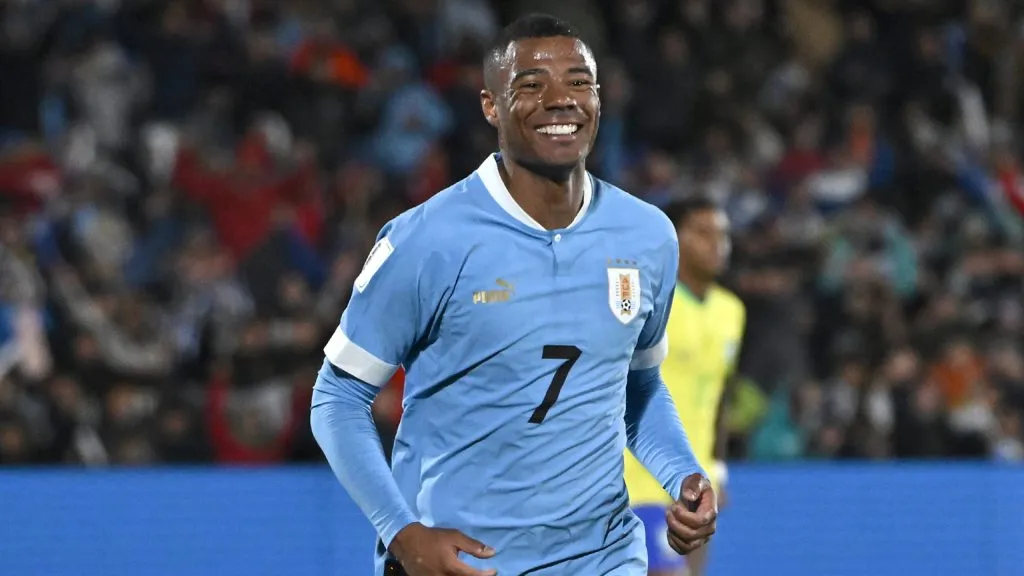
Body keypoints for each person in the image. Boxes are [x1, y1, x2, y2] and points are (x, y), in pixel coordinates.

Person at [311, 14, 718, 576]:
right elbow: (337, 399)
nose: (560, 100)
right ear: (490, 105)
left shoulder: (647, 236)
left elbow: (638, 388)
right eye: (531, 85)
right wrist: (402, 533)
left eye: (579, 83)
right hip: (465, 563)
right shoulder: (427, 239)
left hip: (602, 559)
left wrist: (683, 475)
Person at [624, 197, 746, 576]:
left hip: (695, 486)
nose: (718, 244)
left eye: (723, 235)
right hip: (638, 477)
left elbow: (722, 395)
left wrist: (717, 469)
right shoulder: (647, 301)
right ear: (673, 238)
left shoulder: (732, 311)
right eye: (704, 233)